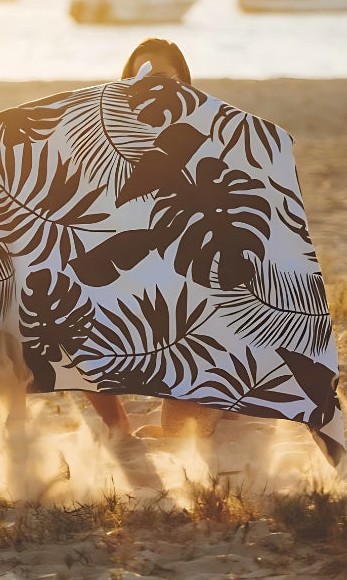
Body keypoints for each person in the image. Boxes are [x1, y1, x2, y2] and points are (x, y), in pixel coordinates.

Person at [83, 37, 224, 439]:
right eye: (138, 76)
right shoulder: (107, 135)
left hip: (183, 270)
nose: (149, 85)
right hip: (126, 264)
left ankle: (223, 412)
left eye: (160, 76)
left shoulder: (206, 129)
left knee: (182, 433)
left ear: (183, 80)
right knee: (67, 318)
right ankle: (117, 425)